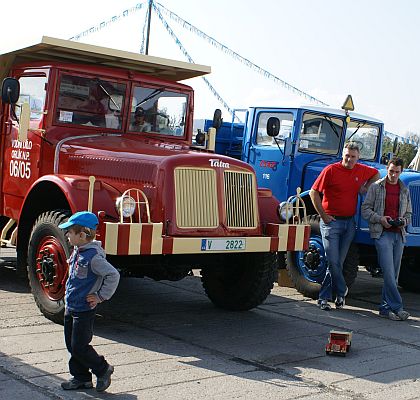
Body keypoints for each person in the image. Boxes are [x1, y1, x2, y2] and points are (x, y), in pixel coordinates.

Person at [310, 142, 379, 311]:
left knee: (338, 264)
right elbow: (313, 192)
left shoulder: (361, 169)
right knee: (333, 262)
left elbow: (376, 174)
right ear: (342, 155)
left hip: (349, 224)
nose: (349, 159)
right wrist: (324, 216)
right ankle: (342, 290)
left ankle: (329, 298)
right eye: (347, 155)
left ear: (358, 157)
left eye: (353, 156)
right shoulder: (331, 170)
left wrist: (365, 187)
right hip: (331, 223)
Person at [58, 211, 120, 392]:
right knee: (71, 344)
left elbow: (113, 275)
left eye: (70, 232)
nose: (67, 235)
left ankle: (102, 368)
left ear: (82, 235)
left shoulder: (94, 257)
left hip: (84, 309)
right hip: (71, 306)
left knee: (80, 345)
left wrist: (101, 296)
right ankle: (81, 378)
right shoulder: (78, 250)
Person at [361, 157, 412, 321]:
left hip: (399, 234)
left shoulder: (404, 189)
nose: (393, 175)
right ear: (387, 168)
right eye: (391, 171)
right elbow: (365, 210)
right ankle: (397, 306)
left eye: (397, 172)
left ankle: (385, 308)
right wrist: (380, 219)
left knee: (394, 274)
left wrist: (404, 220)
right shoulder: (376, 187)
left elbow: (409, 213)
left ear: (401, 172)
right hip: (381, 233)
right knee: (389, 272)